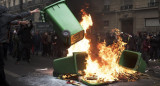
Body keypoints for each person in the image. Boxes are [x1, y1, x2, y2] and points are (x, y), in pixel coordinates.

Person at [0, 5, 40, 86]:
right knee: (1, 65)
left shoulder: (2, 18)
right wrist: (32, 11)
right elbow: (18, 16)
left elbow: (11, 22)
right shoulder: (5, 16)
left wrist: (20, 22)